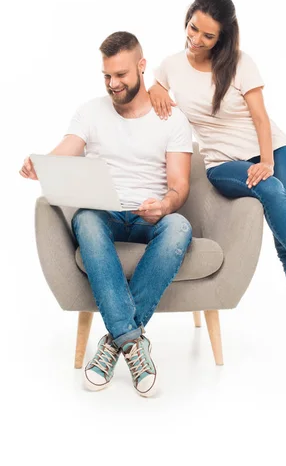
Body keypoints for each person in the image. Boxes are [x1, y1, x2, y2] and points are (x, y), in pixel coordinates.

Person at [148, 0, 286, 382]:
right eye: (194, 28)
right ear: (187, 19)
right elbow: (152, 92)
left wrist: (266, 162)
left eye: (208, 36)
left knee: (285, 241)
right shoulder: (170, 66)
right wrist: (155, 87)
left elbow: (261, 119)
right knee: (273, 193)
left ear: (222, 37)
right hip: (222, 163)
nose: (196, 39)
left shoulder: (241, 64)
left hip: (274, 151)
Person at [20, 31, 193, 397]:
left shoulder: (171, 120)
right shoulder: (90, 111)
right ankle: (133, 342)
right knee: (85, 218)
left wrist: (164, 204)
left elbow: (180, 185)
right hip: (107, 215)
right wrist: (43, 163)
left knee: (179, 226)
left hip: (150, 217)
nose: (113, 84)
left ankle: (114, 344)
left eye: (121, 75)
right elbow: (70, 146)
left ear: (142, 67)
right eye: (107, 76)